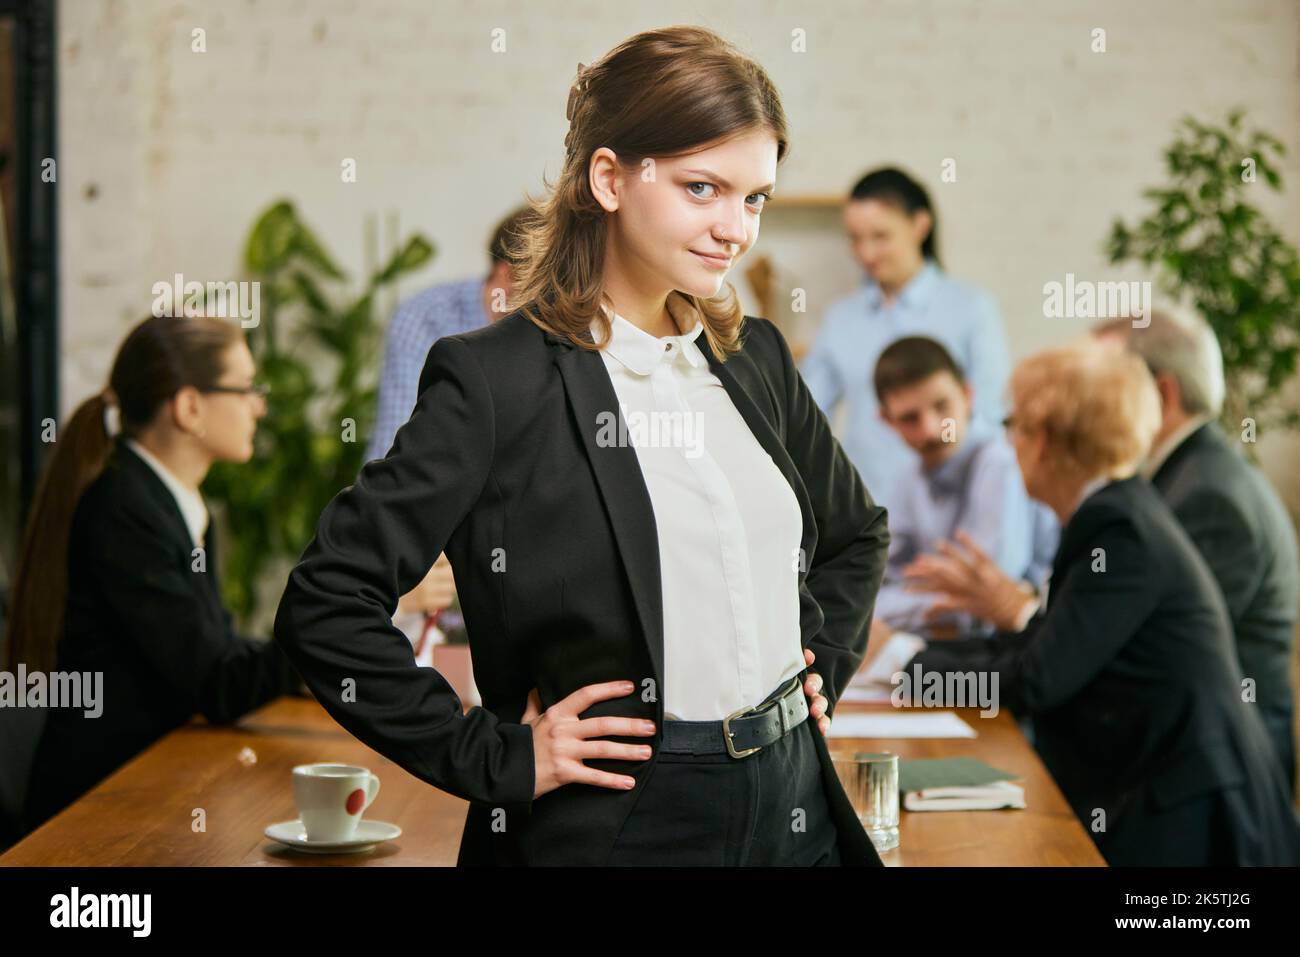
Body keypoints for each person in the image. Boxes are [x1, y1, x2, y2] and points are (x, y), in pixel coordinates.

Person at [273, 25, 891, 867]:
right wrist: (496, 756)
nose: (735, 229)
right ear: (608, 178)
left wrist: (822, 659)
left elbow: (855, 535)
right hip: (626, 822)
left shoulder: (755, 359)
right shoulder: (495, 379)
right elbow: (326, 600)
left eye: (754, 199)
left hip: (796, 803)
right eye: (702, 187)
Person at [894, 339, 1300, 866]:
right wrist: (910, 659)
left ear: (1043, 440)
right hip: (1155, 795)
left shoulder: (1120, 528)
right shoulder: (1110, 511)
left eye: (1014, 426)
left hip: (1192, 819)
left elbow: (1039, 677)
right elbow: (1037, 639)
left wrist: (905, 666)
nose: (1009, 442)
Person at [8, 315, 302, 834]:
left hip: (145, 793)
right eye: (246, 389)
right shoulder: (125, 509)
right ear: (190, 407)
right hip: (94, 820)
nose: (259, 405)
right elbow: (219, 683)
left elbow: (218, 658)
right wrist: (354, 616)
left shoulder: (164, 500)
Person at [1094, 309, 1298, 794]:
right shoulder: (1189, 472)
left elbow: (1158, 649)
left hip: (1220, 774)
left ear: (1162, 394)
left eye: (1102, 391)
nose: (1087, 411)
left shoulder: (1209, 495)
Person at [799, 166, 1010, 511]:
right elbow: (806, 416)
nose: (866, 253)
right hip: (863, 507)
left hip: (951, 508)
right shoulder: (841, 318)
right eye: (855, 238)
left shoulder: (971, 308)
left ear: (920, 226)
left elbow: (989, 417)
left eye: (880, 236)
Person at [367, 208, 528, 635]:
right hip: (434, 542)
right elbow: (394, 455)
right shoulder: (425, 319)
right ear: (505, 273)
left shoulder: (565, 334)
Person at [869, 336, 1056, 642]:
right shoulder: (909, 480)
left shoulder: (1002, 462)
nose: (930, 429)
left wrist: (877, 614)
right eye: (909, 418)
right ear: (887, 421)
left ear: (968, 394)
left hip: (1023, 651)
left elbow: (979, 604)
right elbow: (870, 581)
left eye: (942, 405)